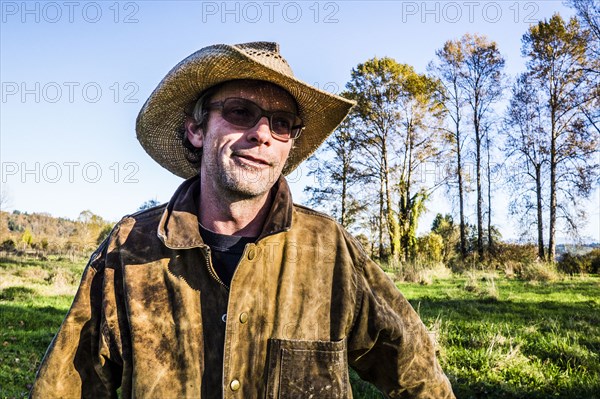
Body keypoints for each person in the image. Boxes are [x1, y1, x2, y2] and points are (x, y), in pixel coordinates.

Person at [30, 42, 455, 398]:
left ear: (289, 145)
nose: (262, 134)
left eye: (282, 123)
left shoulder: (328, 249)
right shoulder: (130, 248)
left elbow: (416, 371)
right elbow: (65, 385)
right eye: (240, 112)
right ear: (197, 129)